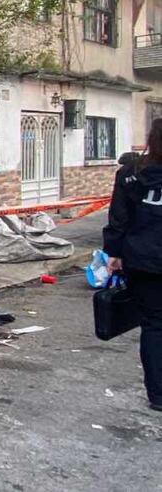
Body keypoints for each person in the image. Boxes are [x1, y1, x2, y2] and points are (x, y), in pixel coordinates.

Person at [104, 117, 162, 412]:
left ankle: (158, 394)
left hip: (142, 259)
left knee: (154, 325)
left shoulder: (131, 174)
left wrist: (114, 254)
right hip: (144, 259)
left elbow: (119, 217)